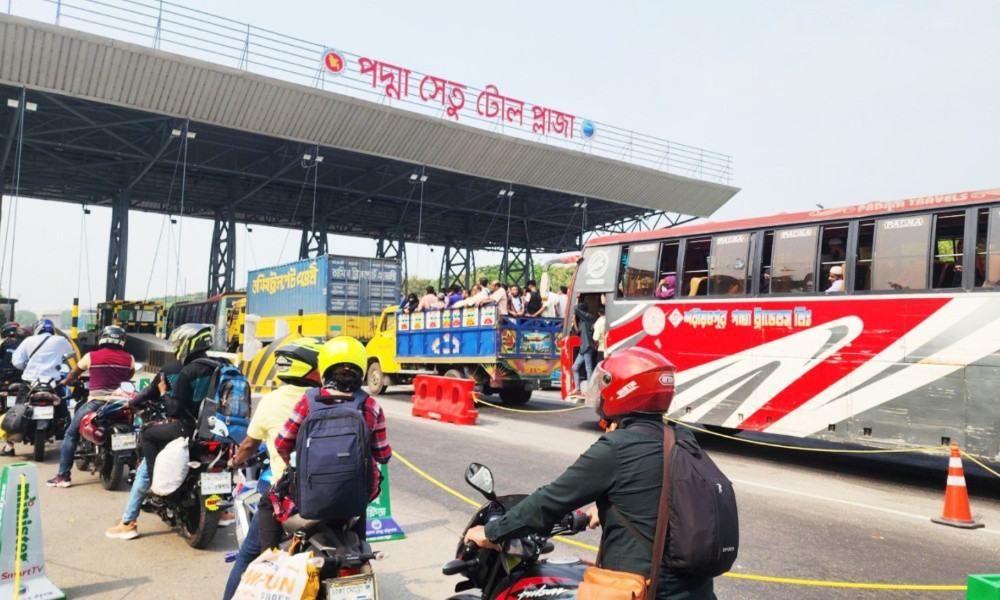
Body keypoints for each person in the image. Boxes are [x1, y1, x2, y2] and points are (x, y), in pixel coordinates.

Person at [464, 348, 715, 599]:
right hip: (696, 590)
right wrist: (612, 507)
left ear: (624, 391)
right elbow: (661, 494)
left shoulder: (618, 447)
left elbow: (548, 502)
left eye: (606, 384)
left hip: (645, 590)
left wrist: (490, 533)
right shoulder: (681, 440)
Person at [260, 337, 392, 551]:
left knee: (267, 502)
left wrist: (297, 465)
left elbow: (282, 443)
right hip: (355, 492)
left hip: (310, 493)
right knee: (360, 496)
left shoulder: (308, 400)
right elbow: (383, 455)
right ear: (361, 370)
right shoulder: (371, 405)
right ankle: (360, 548)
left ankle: (268, 559)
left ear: (325, 369)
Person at [222, 337, 323, 600]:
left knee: (249, 555)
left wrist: (233, 462)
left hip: (288, 492)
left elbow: (248, 444)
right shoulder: (329, 398)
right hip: (336, 491)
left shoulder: (271, 402)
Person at [47, 325, 135, 488]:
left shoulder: (91, 356)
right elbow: (129, 375)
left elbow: (74, 373)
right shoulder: (129, 358)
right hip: (120, 402)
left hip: (97, 401)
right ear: (122, 341)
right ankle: (133, 469)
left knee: (71, 433)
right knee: (133, 429)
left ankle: (63, 476)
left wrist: (66, 381)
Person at [105, 360, 183, 540]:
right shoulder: (207, 369)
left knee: (145, 472)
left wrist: (132, 403)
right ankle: (221, 512)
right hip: (204, 428)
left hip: (177, 426)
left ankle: (128, 523)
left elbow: (151, 391)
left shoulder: (172, 369)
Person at [139, 323, 220, 478]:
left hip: (190, 428)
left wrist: (163, 393)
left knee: (146, 434)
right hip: (218, 428)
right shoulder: (221, 366)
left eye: (178, 344)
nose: (176, 348)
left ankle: (153, 480)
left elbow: (174, 411)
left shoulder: (188, 372)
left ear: (189, 343)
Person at [0, 322, 26, 456]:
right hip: (25, 382)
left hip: (6, 383)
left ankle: (9, 445)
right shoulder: (27, 344)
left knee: (4, 410)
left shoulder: (4, 345)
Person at [570, 297, 596, 398]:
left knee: (588, 369)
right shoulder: (582, 320)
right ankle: (578, 389)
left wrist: (576, 298)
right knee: (575, 367)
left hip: (588, 346)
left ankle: (589, 391)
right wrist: (574, 321)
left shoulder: (588, 317)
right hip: (583, 347)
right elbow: (578, 332)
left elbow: (575, 308)